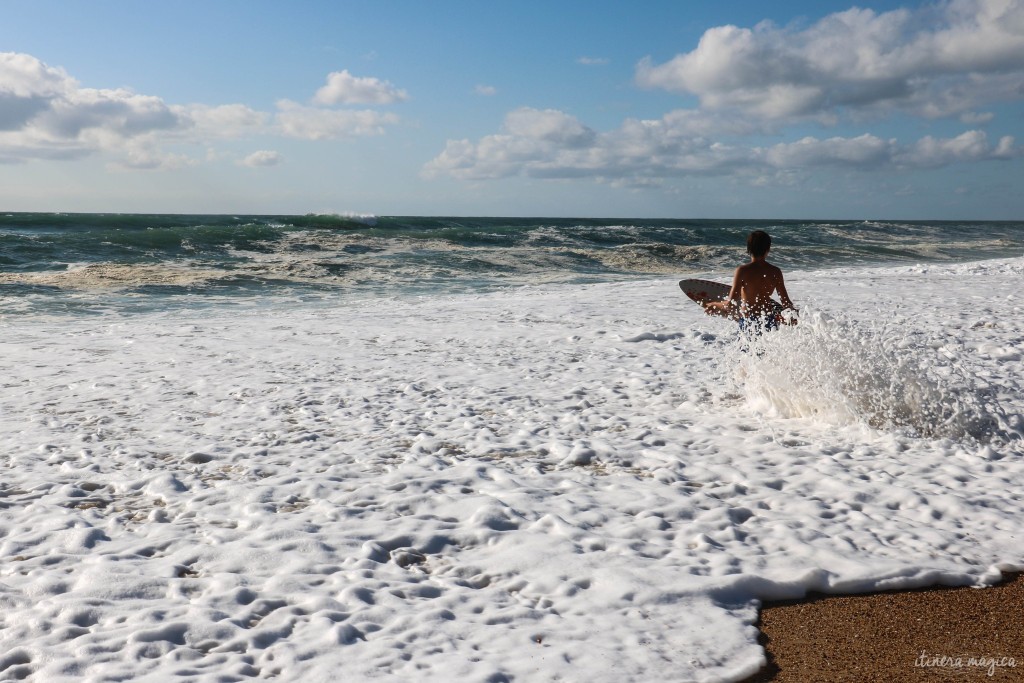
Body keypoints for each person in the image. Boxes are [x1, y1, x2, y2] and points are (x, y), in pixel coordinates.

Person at [703, 230, 796, 333]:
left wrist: (715, 305)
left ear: (748, 249)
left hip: (749, 321)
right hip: (769, 320)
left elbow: (731, 304)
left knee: (748, 349)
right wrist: (794, 316)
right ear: (768, 249)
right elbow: (786, 303)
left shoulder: (742, 271)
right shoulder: (775, 272)